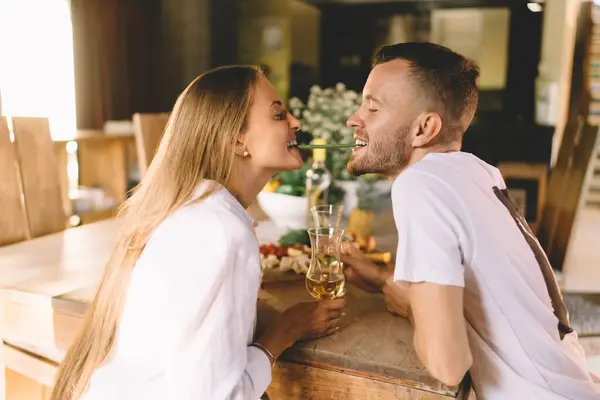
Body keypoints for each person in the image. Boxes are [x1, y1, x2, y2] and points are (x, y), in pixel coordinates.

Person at [50, 65, 345, 400]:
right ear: (237, 139)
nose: (296, 122)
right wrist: (284, 331)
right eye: (278, 115)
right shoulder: (222, 231)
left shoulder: (191, 210)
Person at [341, 42, 600, 399]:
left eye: (373, 107)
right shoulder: (478, 171)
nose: (354, 119)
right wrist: (386, 279)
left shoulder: (420, 185)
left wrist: (400, 296)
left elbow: (448, 364)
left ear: (424, 128)